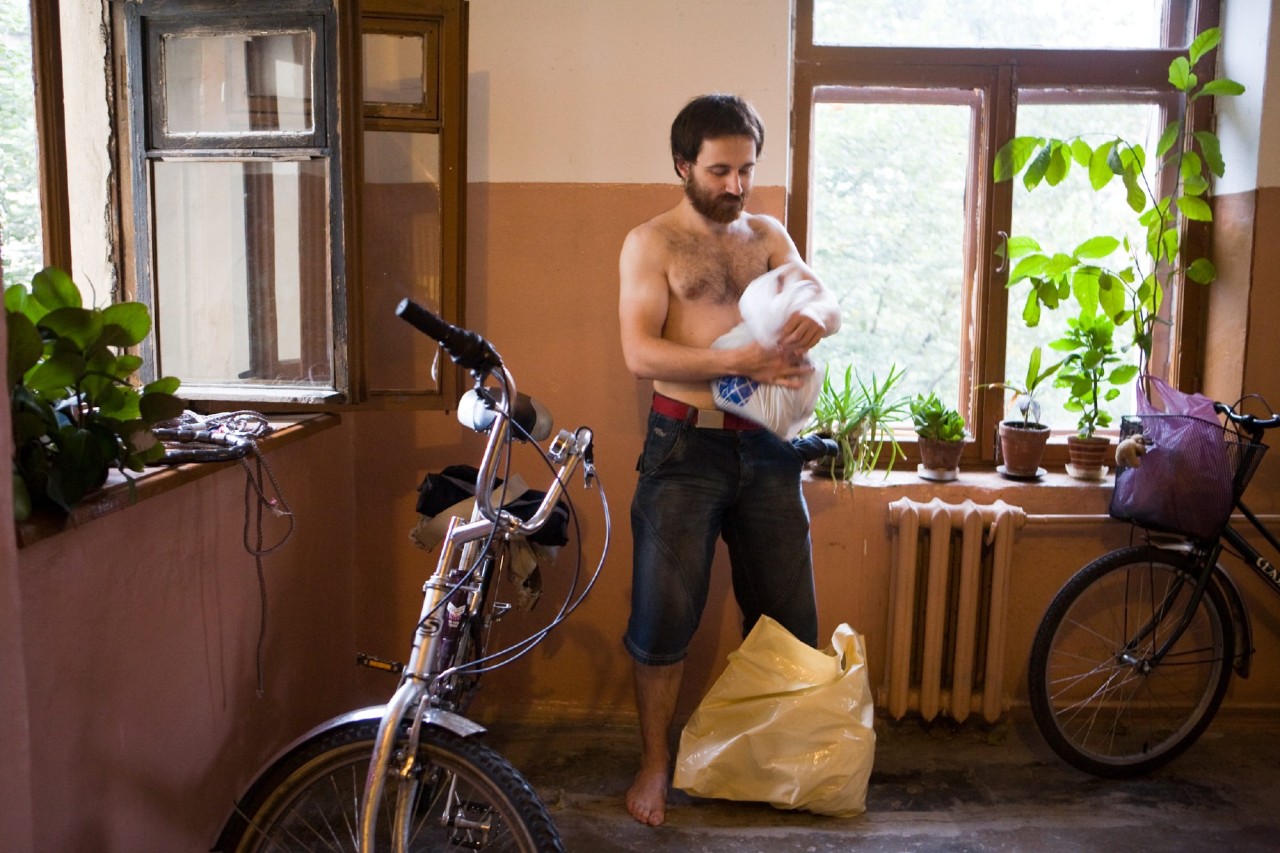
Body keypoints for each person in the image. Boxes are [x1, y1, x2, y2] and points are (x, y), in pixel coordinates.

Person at [617, 93, 842, 826]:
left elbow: (823, 299)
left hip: (769, 447)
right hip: (684, 444)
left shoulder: (768, 235)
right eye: (720, 170)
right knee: (662, 617)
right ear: (683, 165)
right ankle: (655, 764)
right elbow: (640, 353)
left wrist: (818, 318)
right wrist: (738, 359)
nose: (736, 185)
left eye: (746, 169)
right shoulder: (651, 243)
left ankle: (779, 761)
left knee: (789, 619)